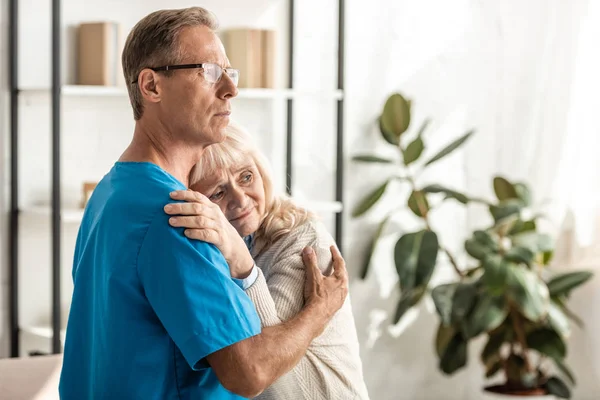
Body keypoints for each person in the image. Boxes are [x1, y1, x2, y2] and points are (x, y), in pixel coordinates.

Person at [58, 7, 348, 400]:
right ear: (151, 86)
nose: (231, 88)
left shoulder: (109, 193)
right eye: (209, 71)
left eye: (231, 73)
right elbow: (250, 371)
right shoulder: (178, 215)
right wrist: (320, 310)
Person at [164, 122, 370, 400]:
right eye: (218, 193)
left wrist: (242, 263)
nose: (240, 199)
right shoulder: (210, 253)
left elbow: (265, 365)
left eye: (246, 177)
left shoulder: (304, 239)